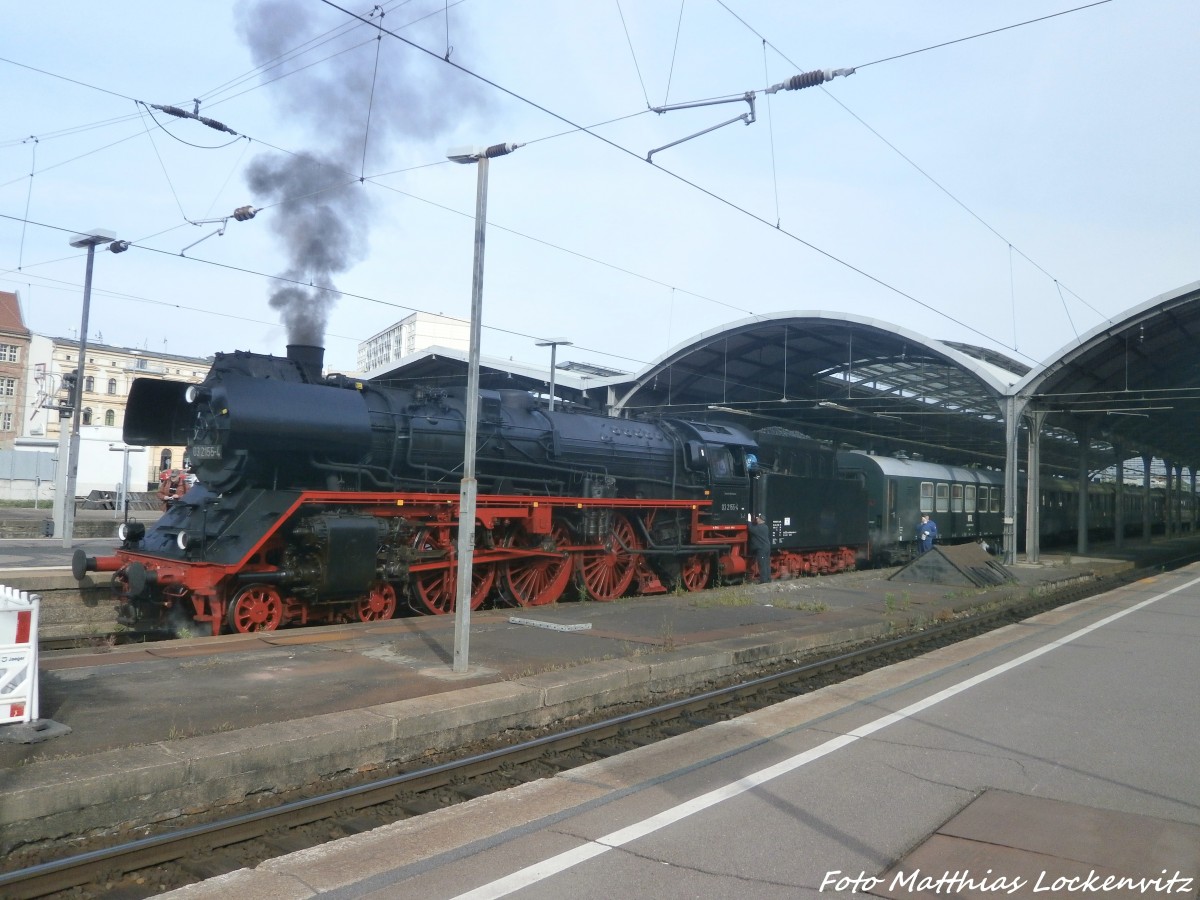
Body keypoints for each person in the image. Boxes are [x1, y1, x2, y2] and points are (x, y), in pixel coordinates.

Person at [748, 513, 772, 583]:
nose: (756, 519)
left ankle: (763, 581)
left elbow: (751, 529)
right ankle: (768, 579)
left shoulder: (759, 528)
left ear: (761, 520)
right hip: (767, 547)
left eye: (758, 518)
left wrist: (749, 520)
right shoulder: (765, 527)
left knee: (762, 565)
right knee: (767, 564)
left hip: (761, 548)